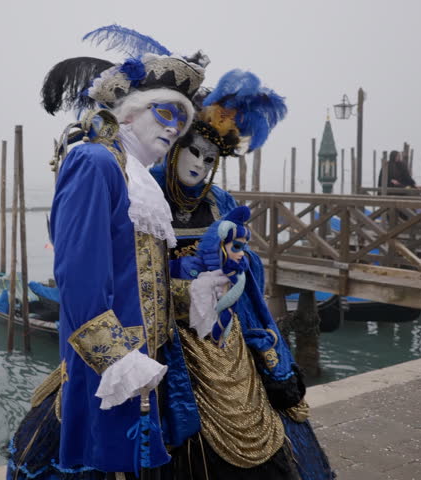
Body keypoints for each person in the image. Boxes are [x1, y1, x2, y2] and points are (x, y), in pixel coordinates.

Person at [4, 26, 207, 479]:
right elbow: (78, 276)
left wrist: (193, 293)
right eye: (166, 112)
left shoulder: (140, 179)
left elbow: (138, 277)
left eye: (182, 120)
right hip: (113, 369)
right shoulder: (94, 162)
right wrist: (116, 359)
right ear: (131, 114)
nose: (175, 128)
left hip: (146, 360)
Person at [153, 70, 335, 480]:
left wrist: (234, 264)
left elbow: (246, 262)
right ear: (174, 148)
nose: (199, 165)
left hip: (224, 332)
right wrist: (185, 280)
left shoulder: (219, 202)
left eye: (209, 159)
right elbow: (130, 268)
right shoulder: (147, 196)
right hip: (164, 333)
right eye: (193, 152)